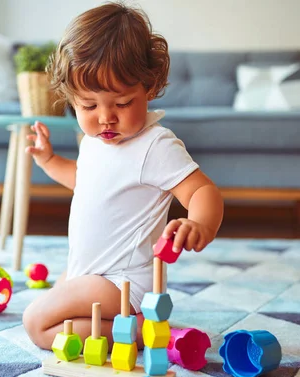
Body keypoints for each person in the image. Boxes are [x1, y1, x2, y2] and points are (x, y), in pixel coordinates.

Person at [22, 1, 223, 351]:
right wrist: (49, 160)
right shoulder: (94, 142)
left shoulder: (154, 145)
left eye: (123, 102)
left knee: (36, 324)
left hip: (123, 282)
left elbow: (202, 190)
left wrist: (200, 224)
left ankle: (134, 331)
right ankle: (132, 326)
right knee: (56, 310)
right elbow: (84, 182)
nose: (105, 118)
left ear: (149, 86)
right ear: (71, 98)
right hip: (89, 271)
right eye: (89, 106)